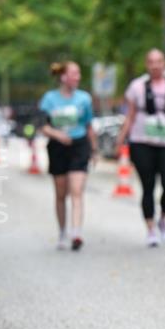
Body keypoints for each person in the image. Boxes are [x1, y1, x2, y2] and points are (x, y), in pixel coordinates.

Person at [116, 49, 165, 247]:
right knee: (147, 186)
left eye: (159, 61)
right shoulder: (137, 86)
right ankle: (150, 229)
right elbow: (130, 115)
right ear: (146, 64)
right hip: (142, 142)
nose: (155, 65)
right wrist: (121, 139)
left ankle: (163, 218)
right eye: (151, 62)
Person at [39, 61, 97, 251]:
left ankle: (76, 233)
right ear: (63, 77)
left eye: (79, 73)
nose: (77, 77)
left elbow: (89, 125)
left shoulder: (84, 99)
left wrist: (94, 150)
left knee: (77, 190)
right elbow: (43, 126)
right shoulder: (49, 99)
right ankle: (62, 232)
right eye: (74, 73)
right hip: (57, 148)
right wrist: (57, 135)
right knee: (61, 194)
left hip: (79, 145)